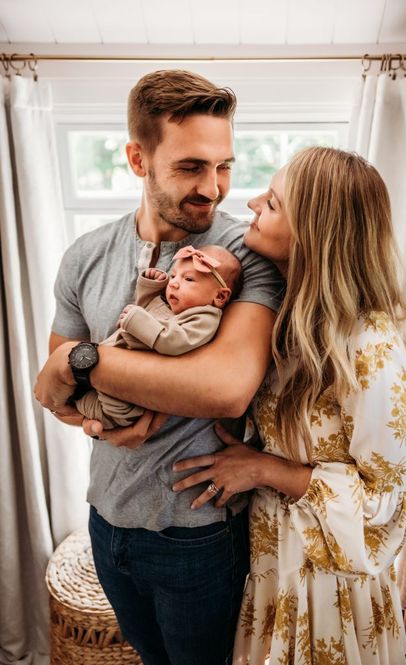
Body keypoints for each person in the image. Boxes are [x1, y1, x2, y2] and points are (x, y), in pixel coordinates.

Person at [34, 69, 283, 665]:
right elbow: (52, 389)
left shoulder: (246, 254)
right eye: (191, 167)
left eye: (223, 165)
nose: (215, 187)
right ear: (138, 160)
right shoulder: (86, 255)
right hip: (106, 518)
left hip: (195, 530)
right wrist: (95, 418)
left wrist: (83, 357)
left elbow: (224, 389)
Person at [172, 146, 406, 664]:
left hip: (329, 589)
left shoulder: (370, 347)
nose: (253, 201)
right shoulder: (286, 316)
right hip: (270, 564)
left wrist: (264, 467)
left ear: (314, 237)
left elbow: (385, 506)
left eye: (275, 203)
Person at [76, 244, 242, 429]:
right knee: (81, 392)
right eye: (173, 275)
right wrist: (150, 287)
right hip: (111, 370)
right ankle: (78, 397)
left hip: (125, 400)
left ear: (219, 296)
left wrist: (136, 319)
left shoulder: (204, 318)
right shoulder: (173, 309)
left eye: (188, 279)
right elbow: (148, 311)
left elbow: (172, 341)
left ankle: (81, 403)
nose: (173, 283)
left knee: (96, 403)